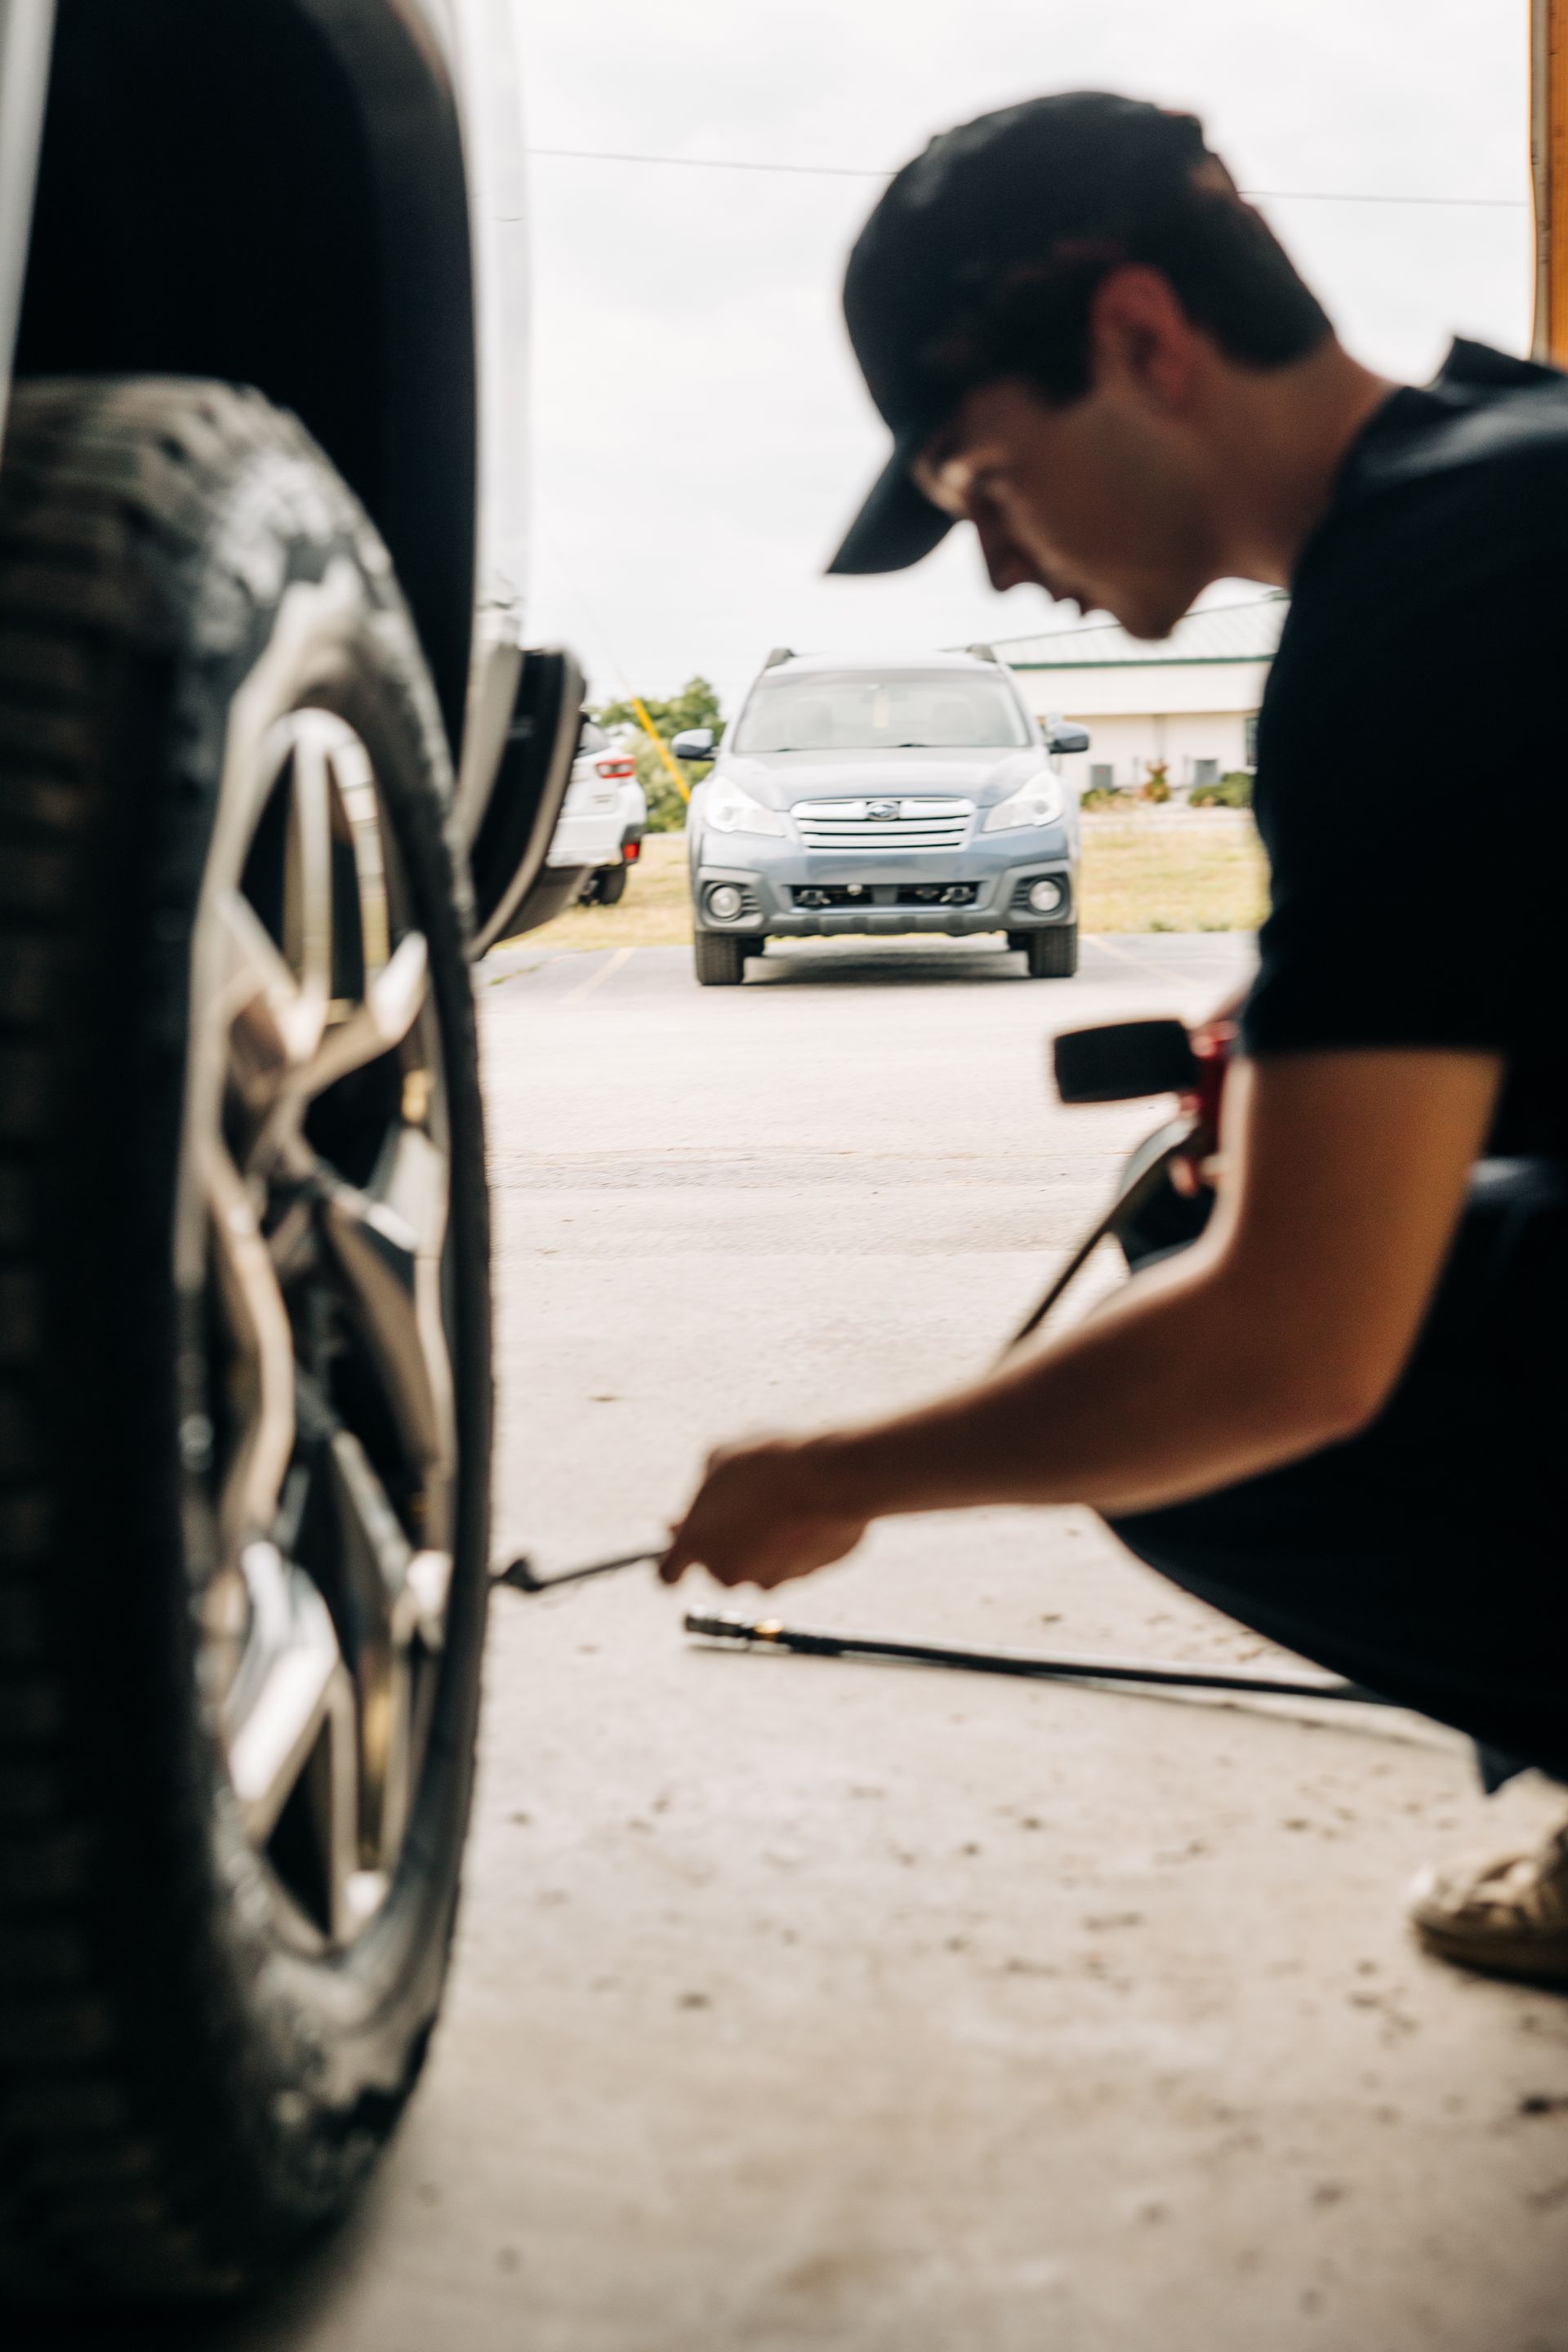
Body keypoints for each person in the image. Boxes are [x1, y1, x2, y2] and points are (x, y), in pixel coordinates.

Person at [662, 91, 1568, 1985]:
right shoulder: (1512, 475)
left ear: (1141, 340)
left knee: (1215, 1408)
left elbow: (1293, 1355)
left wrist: (836, 1472)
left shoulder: (1421, 604)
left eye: (984, 488)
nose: (1000, 571)